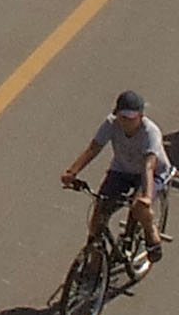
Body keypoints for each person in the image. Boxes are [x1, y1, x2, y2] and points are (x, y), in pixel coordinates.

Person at [61, 89, 172, 260]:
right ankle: (95, 259)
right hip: (122, 169)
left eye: (130, 118)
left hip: (153, 173)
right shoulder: (111, 124)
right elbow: (94, 148)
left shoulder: (150, 132)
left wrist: (147, 197)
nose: (125, 122)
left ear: (140, 116)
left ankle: (150, 230)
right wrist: (72, 172)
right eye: (122, 117)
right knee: (100, 210)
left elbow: (148, 165)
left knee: (139, 206)